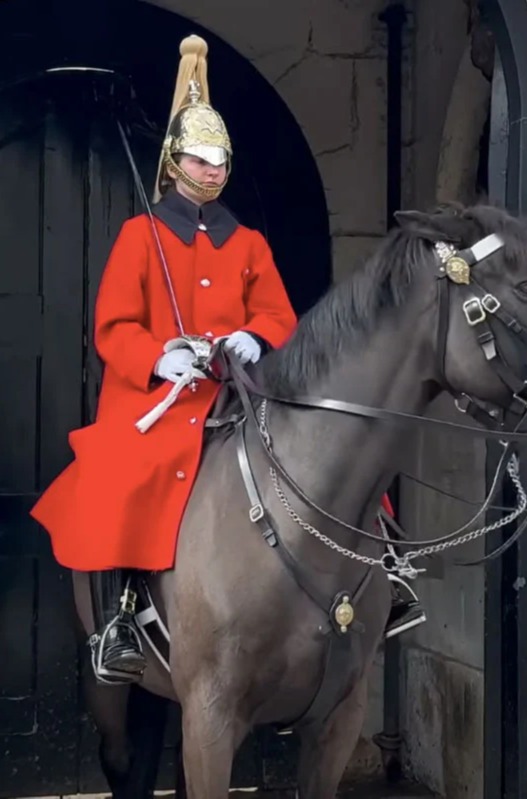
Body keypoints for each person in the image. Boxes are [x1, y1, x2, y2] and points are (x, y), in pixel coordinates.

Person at [30, 34, 423, 686]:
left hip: (243, 389)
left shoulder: (246, 242)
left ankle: (392, 573)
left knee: (337, 449)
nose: (212, 171)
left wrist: (253, 337)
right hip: (160, 398)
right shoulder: (140, 237)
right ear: (175, 162)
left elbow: (275, 314)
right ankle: (123, 616)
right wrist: (161, 355)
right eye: (200, 159)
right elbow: (112, 328)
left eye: (220, 161)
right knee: (123, 473)